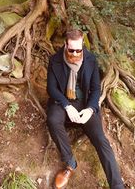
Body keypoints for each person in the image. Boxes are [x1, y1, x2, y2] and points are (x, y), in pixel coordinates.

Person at [46, 29, 125, 189]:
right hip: (63, 102)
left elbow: (96, 89)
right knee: (53, 120)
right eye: (71, 49)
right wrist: (67, 106)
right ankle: (70, 164)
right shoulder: (55, 60)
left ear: (83, 44)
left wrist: (90, 109)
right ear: (65, 45)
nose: (75, 53)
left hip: (85, 104)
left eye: (78, 50)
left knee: (101, 141)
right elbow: (51, 89)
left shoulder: (91, 60)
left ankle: (117, 186)